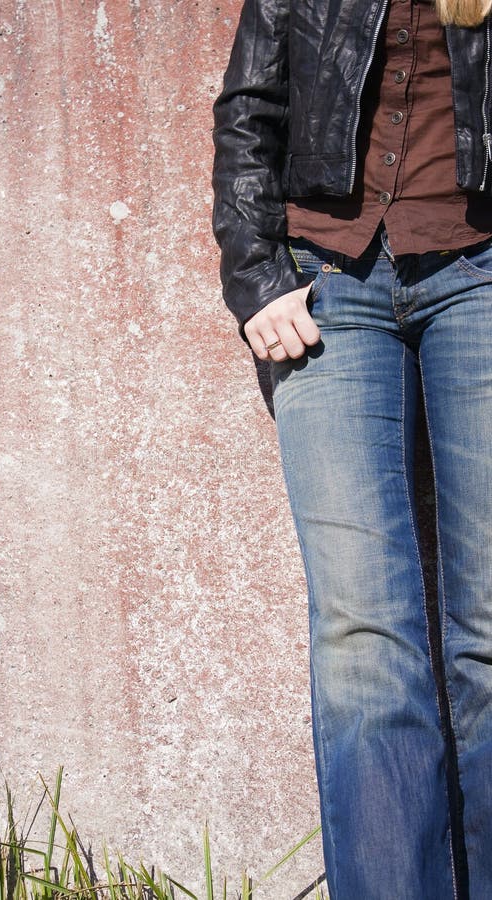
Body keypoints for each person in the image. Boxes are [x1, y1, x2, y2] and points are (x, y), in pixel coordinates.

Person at [212, 0, 492, 897]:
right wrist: (256, 276)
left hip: (481, 278)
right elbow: (249, 108)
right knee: (362, 636)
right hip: (328, 282)